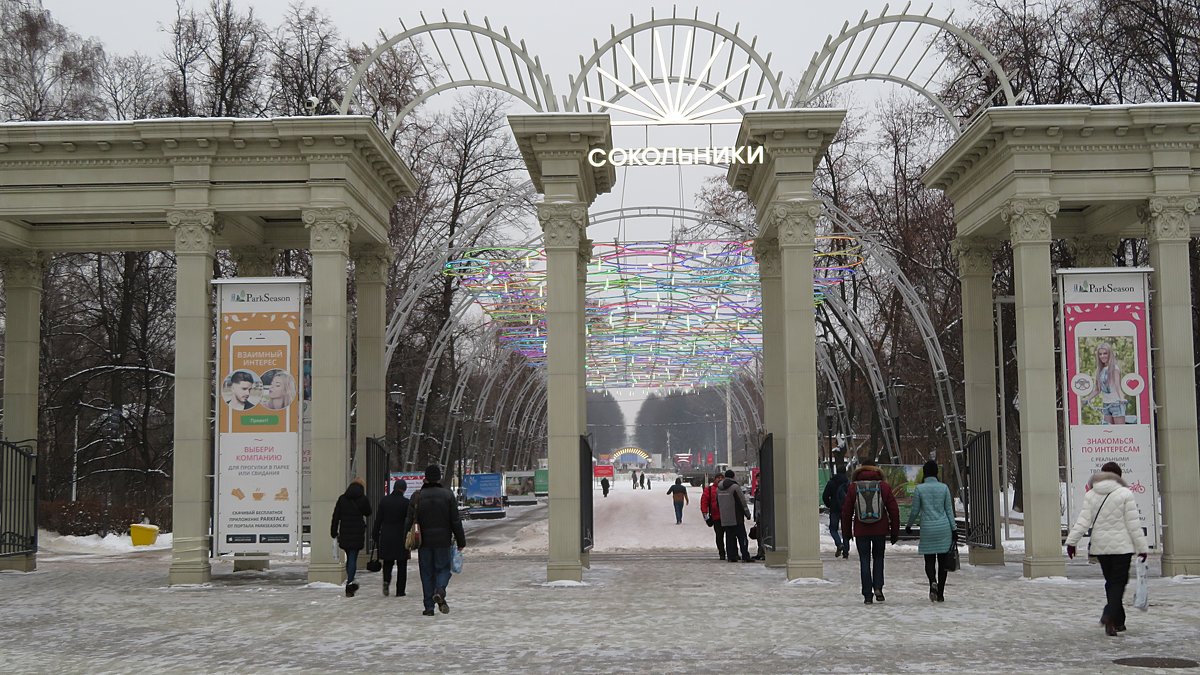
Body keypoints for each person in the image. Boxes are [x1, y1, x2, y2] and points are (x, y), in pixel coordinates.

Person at [1065, 461, 1149, 636]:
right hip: (1122, 547)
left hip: (1101, 547)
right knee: (1118, 582)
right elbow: (1133, 524)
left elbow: (1083, 522)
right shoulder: (1125, 494)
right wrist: (1142, 547)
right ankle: (1109, 614)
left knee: (1111, 582)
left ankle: (1117, 621)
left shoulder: (1092, 495)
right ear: (1118, 477)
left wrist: (1072, 543)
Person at [405, 464, 466, 616]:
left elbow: (408, 520)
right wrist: (461, 541)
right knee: (444, 569)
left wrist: (404, 537)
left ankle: (428, 607)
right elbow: (455, 521)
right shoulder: (447, 495)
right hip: (443, 540)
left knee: (426, 573)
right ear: (439, 478)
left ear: (425, 478)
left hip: (423, 541)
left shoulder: (417, 496)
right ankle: (440, 589)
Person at [841, 457, 900, 604]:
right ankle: (878, 587)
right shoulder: (884, 486)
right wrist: (894, 531)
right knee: (879, 558)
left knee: (864, 560)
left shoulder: (853, 487)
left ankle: (867, 594)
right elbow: (894, 510)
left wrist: (847, 533)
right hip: (880, 529)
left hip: (861, 530)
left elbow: (846, 512)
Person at [905, 460, 957, 602]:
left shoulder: (920, 489)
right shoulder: (944, 488)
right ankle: (940, 593)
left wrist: (909, 525)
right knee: (942, 563)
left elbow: (915, 510)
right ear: (936, 472)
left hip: (928, 529)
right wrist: (954, 529)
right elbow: (949, 511)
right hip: (943, 529)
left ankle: (932, 581)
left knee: (929, 561)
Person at [330, 477, 372, 597]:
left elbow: (336, 516)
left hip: (345, 531)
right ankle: (350, 583)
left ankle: (350, 579)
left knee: (350, 556)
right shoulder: (362, 499)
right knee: (353, 556)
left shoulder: (342, 499)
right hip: (357, 531)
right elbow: (368, 512)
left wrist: (333, 531)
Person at [372, 478, 411, 597]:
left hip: (387, 535)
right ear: (404, 489)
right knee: (402, 564)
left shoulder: (385, 501)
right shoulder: (406, 503)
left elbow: (378, 519)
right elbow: (408, 521)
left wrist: (375, 534)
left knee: (388, 562)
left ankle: (386, 581)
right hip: (401, 536)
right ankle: (400, 590)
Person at [1081, 342, 1128, 424]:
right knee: (1107, 432)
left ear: (1110, 354)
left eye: (1105, 353)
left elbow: (1118, 386)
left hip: (1116, 404)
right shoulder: (1099, 370)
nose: (1102, 356)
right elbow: (1097, 389)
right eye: (1100, 354)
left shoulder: (1114, 368)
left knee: (1120, 432)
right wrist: (1087, 399)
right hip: (1106, 405)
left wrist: (1122, 398)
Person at [716, 469, 752, 563]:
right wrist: (747, 514)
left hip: (725, 518)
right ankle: (745, 555)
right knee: (742, 537)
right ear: (733, 476)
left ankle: (731, 556)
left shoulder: (718, 488)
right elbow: (742, 502)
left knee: (729, 538)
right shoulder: (735, 487)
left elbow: (717, 503)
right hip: (736, 517)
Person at [822, 466, 850, 559]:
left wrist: (830, 505)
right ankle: (846, 551)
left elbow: (825, 496)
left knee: (833, 529)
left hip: (834, 509)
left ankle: (839, 543)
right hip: (846, 509)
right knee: (845, 529)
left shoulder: (831, 482)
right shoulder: (848, 483)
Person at [700, 474, 726, 560]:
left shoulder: (727, 488)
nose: (720, 479)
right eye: (718, 478)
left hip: (727, 516)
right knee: (719, 536)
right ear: (715, 480)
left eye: (722, 478)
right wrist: (705, 515)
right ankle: (722, 553)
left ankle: (732, 552)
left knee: (730, 536)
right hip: (716, 517)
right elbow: (704, 502)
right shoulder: (710, 490)